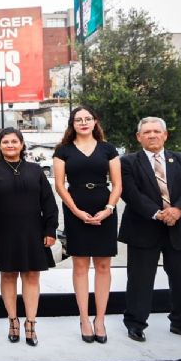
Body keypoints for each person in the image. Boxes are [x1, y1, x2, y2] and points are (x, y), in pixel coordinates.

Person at [120, 117, 181, 343]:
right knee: (139, 280)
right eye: (147, 132)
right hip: (143, 228)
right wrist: (158, 213)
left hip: (178, 227)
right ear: (139, 137)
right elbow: (131, 194)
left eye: (157, 131)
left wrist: (178, 211)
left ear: (165, 135)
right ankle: (135, 324)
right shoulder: (127, 162)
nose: (152, 135)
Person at [0, 128, 58, 347]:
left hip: (33, 232)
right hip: (2, 233)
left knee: (32, 276)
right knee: (8, 275)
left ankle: (30, 323)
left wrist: (50, 229)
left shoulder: (35, 170)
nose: (10, 145)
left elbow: (48, 203)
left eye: (14, 141)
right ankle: (13, 321)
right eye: (5, 142)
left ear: (22, 144)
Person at [52, 106, 122, 344]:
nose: (83, 122)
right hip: (75, 209)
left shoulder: (108, 149)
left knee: (103, 266)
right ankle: (84, 318)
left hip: (105, 208)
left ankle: (100, 319)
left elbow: (118, 184)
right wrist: (76, 211)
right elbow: (60, 186)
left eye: (88, 119)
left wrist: (109, 209)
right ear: (72, 124)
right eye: (78, 119)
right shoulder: (63, 151)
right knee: (80, 266)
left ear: (95, 122)